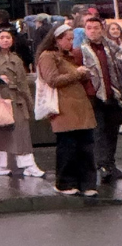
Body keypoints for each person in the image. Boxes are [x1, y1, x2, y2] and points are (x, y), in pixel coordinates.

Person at [34, 20, 99, 198]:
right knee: (68, 147)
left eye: (72, 39)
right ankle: (65, 182)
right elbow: (52, 79)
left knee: (86, 147)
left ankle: (87, 183)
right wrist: (76, 73)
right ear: (56, 39)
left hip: (79, 106)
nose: (71, 42)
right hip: (63, 107)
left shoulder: (68, 56)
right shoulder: (48, 56)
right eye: (68, 39)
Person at [0, 28, 38, 181]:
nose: (6, 40)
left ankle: (27, 164)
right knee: (0, 134)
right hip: (1, 99)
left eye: (8, 37)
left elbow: (23, 83)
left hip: (17, 99)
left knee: (22, 132)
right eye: (2, 37)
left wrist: (29, 102)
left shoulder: (16, 58)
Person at [89, 17, 122, 187]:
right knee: (99, 132)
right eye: (89, 28)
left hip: (113, 95)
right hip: (95, 97)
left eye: (96, 28)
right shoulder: (83, 49)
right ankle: (101, 165)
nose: (93, 31)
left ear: (102, 29)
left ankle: (110, 163)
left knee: (112, 131)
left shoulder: (112, 47)